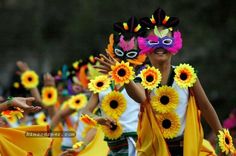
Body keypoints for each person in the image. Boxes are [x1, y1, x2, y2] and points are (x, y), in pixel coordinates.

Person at [95, 8, 235, 156]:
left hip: (186, 149)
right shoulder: (141, 79)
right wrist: (123, 75)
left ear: (174, 46)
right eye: (153, 42)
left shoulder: (186, 75)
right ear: (145, 48)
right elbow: (141, 97)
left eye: (166, 41)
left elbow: (205, 106)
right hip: (154, 151)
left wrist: (222, 138)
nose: (160, 46)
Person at [80, 16, 146, 156]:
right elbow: (85, 112)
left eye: (131, 53)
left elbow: (141, 97)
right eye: (120, 53)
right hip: (112, 147)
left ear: (140, 54)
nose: (124, 58)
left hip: (135, 145)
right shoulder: (102, 82)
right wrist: (99, 119)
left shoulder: (144, 77)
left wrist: (123, 74)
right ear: (112, 50)